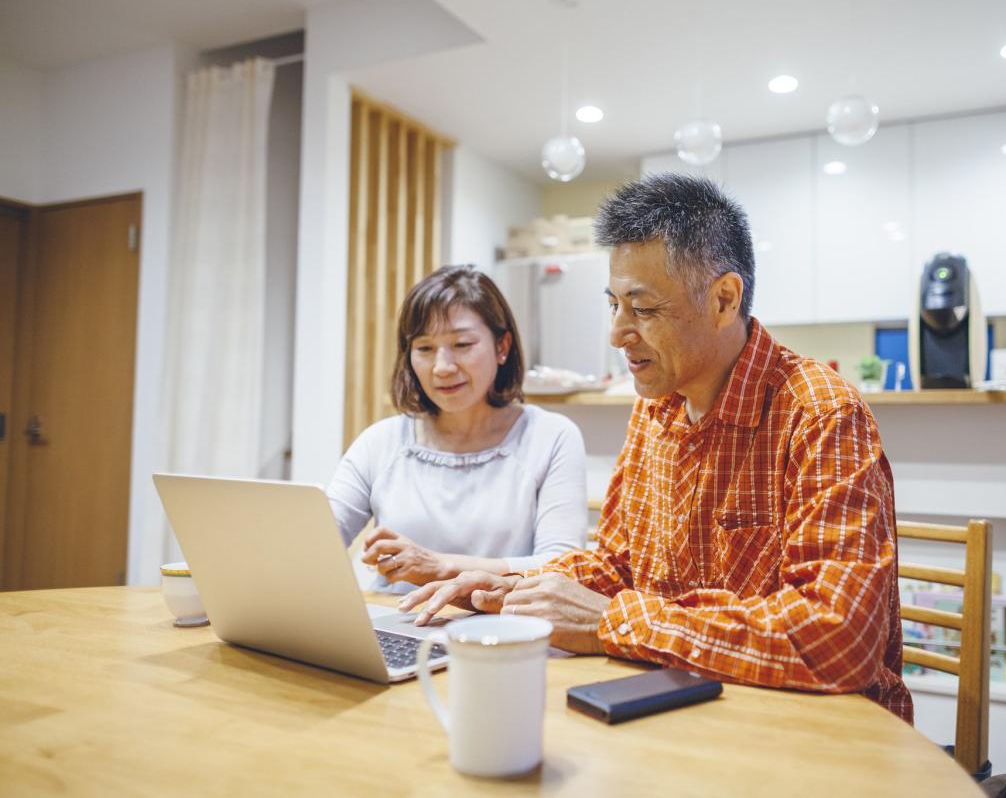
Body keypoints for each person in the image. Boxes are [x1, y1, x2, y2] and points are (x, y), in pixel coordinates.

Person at [400, 175, 912, 722]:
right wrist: (518, 587)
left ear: (723, 299)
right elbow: (618, 563)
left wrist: (612, 622)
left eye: (642, 310)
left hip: (824, 731)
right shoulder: (656, 407)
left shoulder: (819, 414)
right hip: (695, 711)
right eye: (614, 306)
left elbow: (835, 639)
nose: (618, 334)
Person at [327, 264, 588, 594]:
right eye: (424, 348)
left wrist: (441, 567)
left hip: (503, 633)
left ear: (502, 347)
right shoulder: (381, 442)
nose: (442, 367)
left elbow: (562, 568)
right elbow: (317, 544)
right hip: (397, 626)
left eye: (462, 345)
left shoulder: (550, 436)